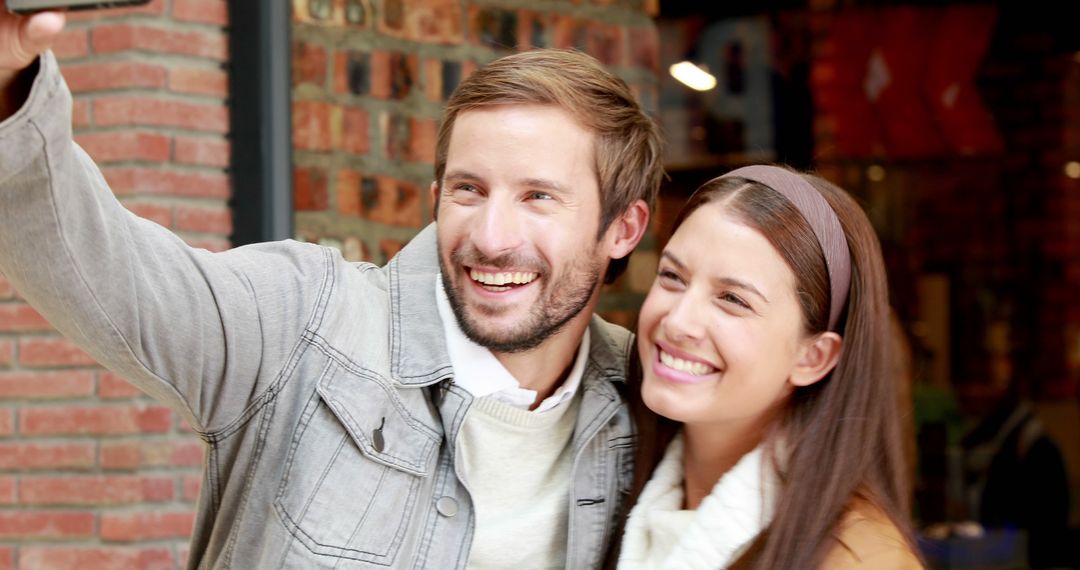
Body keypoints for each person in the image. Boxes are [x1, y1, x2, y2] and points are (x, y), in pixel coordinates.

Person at [0, 5, 664, 568]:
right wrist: (10, 83)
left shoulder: (652, 406)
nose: (491, 236)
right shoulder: (305, 321)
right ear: (436, 196)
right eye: (469, 189)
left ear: (623, 227)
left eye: (538, 197)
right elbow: (105, 271)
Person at [611, 166, 923, 568]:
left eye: (733, 299)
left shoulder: (860, 557)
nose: (677, 322)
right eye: (672, 276)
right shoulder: (613, 491)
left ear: (813, 358)